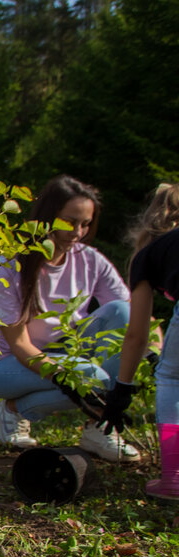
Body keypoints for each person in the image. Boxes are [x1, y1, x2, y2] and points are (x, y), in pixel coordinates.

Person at [0, 174, 138, 461]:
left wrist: (152, 351)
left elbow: (131, 315)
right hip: (9, 365)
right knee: (92, 377)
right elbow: (20, 345)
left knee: (123, 314)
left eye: (86, 224)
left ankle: (98, 427)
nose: (78, 232)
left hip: (68, 351)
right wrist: (67, 377)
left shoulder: (89, 259)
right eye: (69, 222)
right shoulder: (8, 264)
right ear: (47, 217)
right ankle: (14, 410)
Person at [97, 183, 179, 500]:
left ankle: (173, 477)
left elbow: (137, 334)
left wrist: (122, 389)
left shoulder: (149, 254)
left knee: (172, 378)